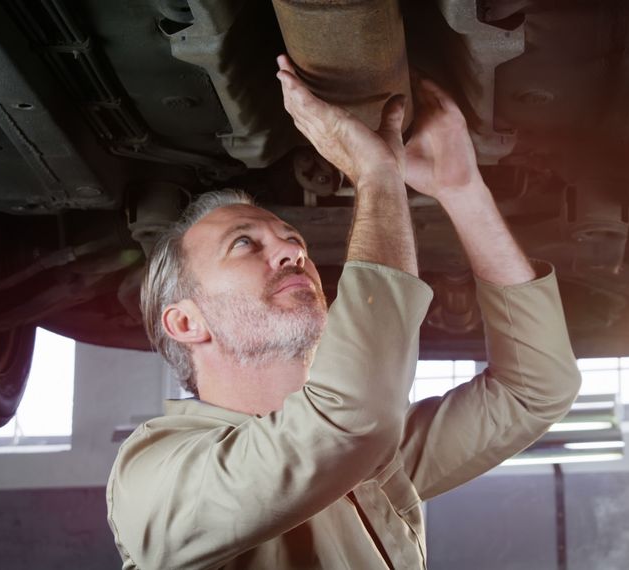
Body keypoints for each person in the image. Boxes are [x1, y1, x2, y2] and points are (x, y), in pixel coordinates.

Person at [106, 55, 582, 569]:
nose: (293, 253)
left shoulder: (366, 452)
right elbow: (347, 422)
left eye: (293, 240)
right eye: (244, 244)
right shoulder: (153, 477)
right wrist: (377, 175)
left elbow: (534, 389)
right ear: (185, 323)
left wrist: (460, 189)